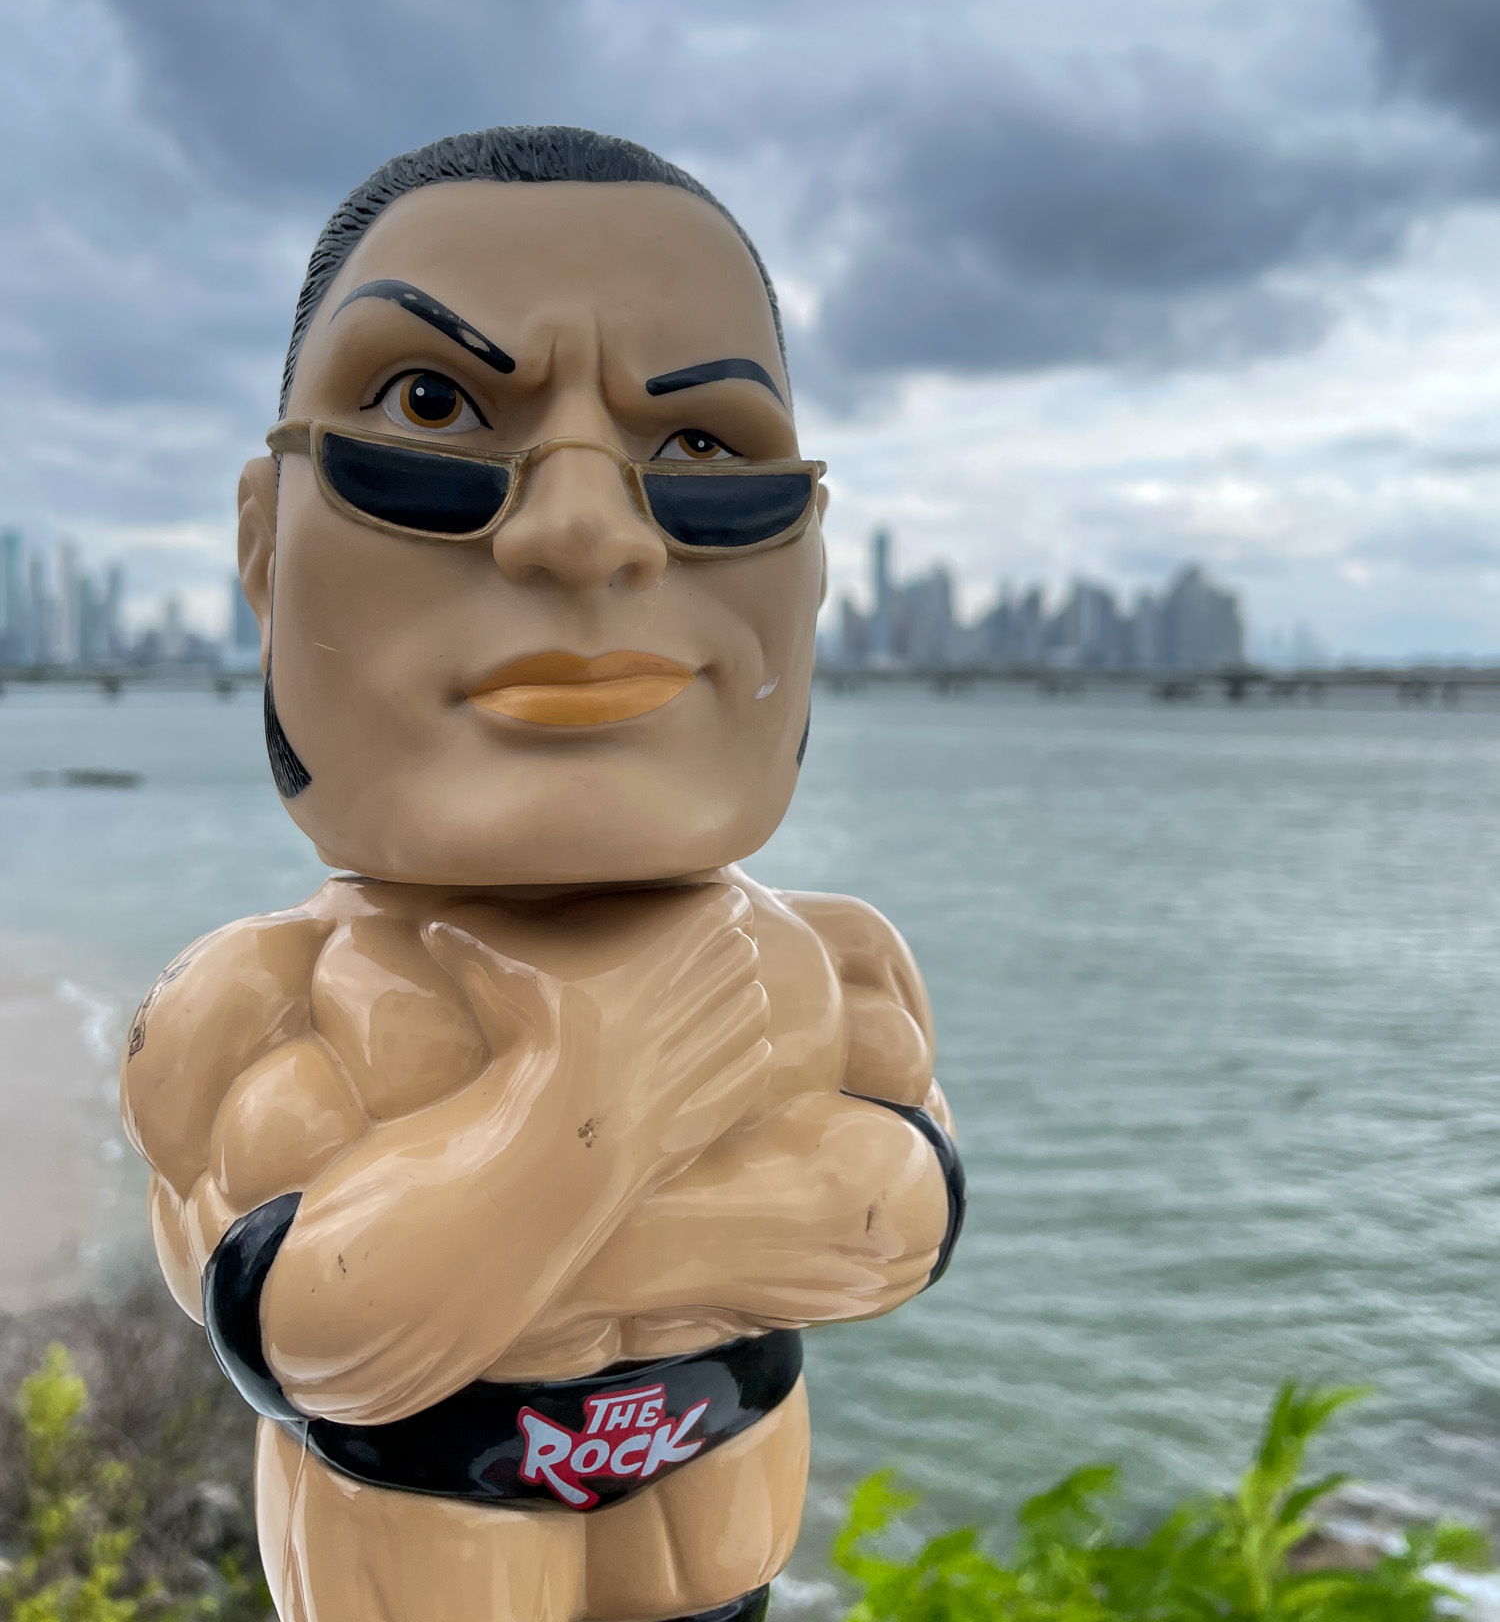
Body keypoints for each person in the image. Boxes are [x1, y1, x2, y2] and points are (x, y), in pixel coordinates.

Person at [121, 126, 963, 1622]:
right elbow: (307, 1329)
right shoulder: (255, 998)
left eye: (699, 447)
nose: (582, 529)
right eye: (430, 405)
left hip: (720, 1508)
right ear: (265, 540)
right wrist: (605, 1100)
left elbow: (898, 1224)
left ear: (813, 557)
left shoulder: (837, 956)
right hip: (419, 1535)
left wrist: (505, 1228)